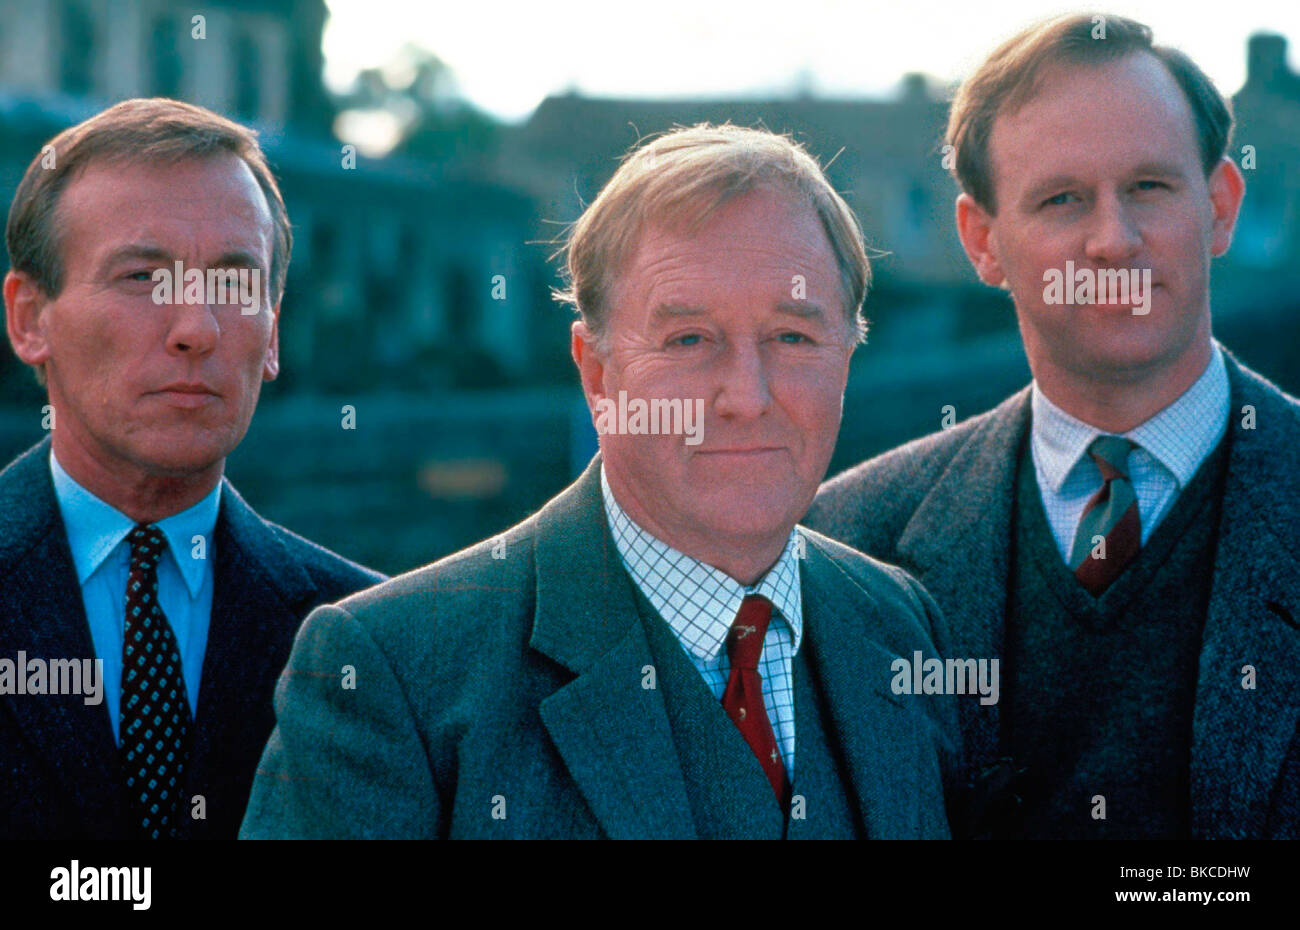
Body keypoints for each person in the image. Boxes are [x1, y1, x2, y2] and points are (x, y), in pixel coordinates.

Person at [241, 124, 960, 839]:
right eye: (689, 340)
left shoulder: (900, 625)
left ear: (848, 354)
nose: (747, 396)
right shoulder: (392, 675)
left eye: (793, 337)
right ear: (596, 373)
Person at [806, 13, 1299, 839]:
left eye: (1149, 186)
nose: (1114, 241)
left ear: (1219, 206)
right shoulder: (849, 544)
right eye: (1063, 199)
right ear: (982, 241)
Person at [0, 99, 384, 840]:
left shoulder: (369, 639)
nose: (195, 329)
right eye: (143, 277)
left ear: (272, 333)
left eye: (236, 285)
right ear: (29, 318)